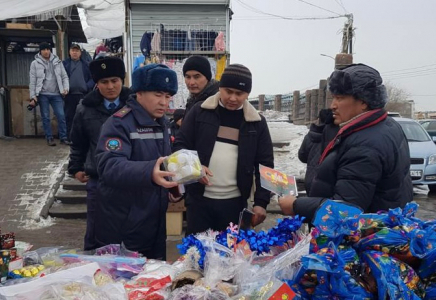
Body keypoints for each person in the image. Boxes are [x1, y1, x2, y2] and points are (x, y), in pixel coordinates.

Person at [279, 63, 413, 221]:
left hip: (360, 239)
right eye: (333, 97)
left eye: (340, 98)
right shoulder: (384, 125)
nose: (333, 105)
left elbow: (346, 210)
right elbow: (308, 155)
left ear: (364, 102)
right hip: (378, 231)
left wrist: (295, 205)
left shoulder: (364, 144)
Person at [174, 64, 274, 235]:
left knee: (231, 257)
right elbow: (179, 145)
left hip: (234, 204)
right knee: (197, 255)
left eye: (239, 94)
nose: (233, 98)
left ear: (247, 94)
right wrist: (195, 168)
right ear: (220, 88)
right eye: (228, 91)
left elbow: (265, 164)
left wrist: (261, 202)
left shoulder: (256, 122)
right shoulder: (199, 112)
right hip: (199, 202)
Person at [94, 64, 179, 259]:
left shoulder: (162, 123)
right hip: (124, 226)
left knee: (154, 281)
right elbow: (109, 166)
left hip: (155, 224)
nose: (164, 102)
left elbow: (163, 162)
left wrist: (176, 185)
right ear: (139, 92)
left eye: (167, 96)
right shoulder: (119, 123)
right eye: (158, 94)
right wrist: (151, 171)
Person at [68, 57, 131, 250]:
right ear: (97, 83)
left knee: (129, 227)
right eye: (104, 82)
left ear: (123, 80)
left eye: (115, 81)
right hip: (98, 178)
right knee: (96, 227)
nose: (110, 86)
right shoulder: (85, 108)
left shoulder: (134, 106)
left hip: (129, 177)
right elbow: (78, 141)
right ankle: (92, 265)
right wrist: (76, 167)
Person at [29, 42, 70, 146]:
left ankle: (63, 138)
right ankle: (49, 138)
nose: (46, 51)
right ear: (40, 51)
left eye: (48, 49)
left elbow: (64, 76)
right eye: (44, 49)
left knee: (61, 116)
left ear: (50, 50)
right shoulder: (35, 63)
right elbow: (32, 81)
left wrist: (66, 88)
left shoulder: (57, 61)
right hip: (42, 94)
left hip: (57, 93)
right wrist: (33, 96)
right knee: (46, 117)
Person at [298, 108, 338, 194]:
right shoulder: (337, 136)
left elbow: (302, 156)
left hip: (311, 178)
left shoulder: (310, 135)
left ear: (319, 119)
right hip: (329, 181)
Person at [63, 43, 94, 139]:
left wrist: (86, 86)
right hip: (69, 95)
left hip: (83, 95)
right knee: (69, 117)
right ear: (69, 52)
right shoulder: (64, 64)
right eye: (73, 50)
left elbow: (92, 78)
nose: (75, 53)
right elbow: (60, 77)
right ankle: (69, 137)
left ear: (80, 53)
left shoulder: (86, 64)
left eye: (77, 51)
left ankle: (83, 137)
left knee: (83, 117)